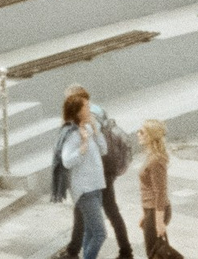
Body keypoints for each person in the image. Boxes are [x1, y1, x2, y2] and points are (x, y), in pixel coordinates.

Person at [47, 85, 133, 259]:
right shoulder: (92, 116)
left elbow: (100, 149)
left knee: (98, 224)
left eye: (69, 99)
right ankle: (122, 250)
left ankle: (76, 251)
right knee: (94, 219)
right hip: (94, 179)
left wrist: (89, 138)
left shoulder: (88, 120)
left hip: (97, 177)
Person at [54, 92, 107, 259]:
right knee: (100, 234)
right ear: (77, 112)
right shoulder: (71, 134)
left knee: (90, 232)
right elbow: (67, 161)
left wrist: (96, 131)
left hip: (96, 185)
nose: (90, 108)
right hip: (84, 189)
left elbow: (104, 150)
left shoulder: (89, 128)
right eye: (86, 107)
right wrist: (83, 145)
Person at [135, 117, 180, 259]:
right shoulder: (151, 156)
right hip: (151, 211)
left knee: (153, 253)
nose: (138, 134)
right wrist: (145, 214)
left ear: (151, 136)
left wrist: (158, 222)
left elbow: (160, 192)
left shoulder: (156, 161)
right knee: (156, 252)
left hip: (156, 211)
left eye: (142, 132)